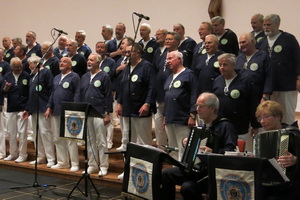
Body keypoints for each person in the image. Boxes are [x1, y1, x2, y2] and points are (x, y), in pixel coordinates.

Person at [162, 92, 237, 200]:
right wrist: (186, 142)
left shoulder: (226, 126)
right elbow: (195, 147)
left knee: (187, 188)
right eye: (196, 106)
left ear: (213, 109)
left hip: (214, 173)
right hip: (196, 169)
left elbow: (231, 151)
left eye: (201, 106)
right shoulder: (201, 125)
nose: (197, 109)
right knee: (166, 175)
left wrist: (214, 152)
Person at [213, 53, 261, 151]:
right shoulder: (217, 81)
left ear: (234, 65)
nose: (222, 67)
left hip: (241, 126)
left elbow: (253, 104)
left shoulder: (245, 81)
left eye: (225, 64)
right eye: (220, 65)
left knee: (243, 154)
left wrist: (255, 125)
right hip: (222, 126)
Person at [258, 14, 300, 125]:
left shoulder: (289, 39)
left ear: (277, 24)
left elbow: (298, 59)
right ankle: (273, 140)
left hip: (287, 86)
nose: (266, 27)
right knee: (271, 116)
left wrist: (299, 78)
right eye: (264, 25)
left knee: (287, 116)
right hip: (269, 87)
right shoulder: (261, 41)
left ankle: (290, 140)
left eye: (269, 25)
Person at [255, 100, 300, 199]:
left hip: (289, 186)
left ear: (278, 116)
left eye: (266, 116)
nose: (262, 121)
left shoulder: (293, 134)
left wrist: (295, 160)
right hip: (266, 186)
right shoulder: (259, 138)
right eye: (259, 118)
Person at [116, 43, 156, 151]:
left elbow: (152, 87)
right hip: (127, 109)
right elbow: (122, 86)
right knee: (127, 140)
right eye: (125, 52)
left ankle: (145, 166)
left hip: (140, 108)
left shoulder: (146, 66)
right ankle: (128, 165)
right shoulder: (127, 67)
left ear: (138, 53)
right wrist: (119, 103)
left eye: (129, 52)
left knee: (144, 141)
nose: (127, 55)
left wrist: (147, 104)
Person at [45, 57, 81, 172]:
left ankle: (74, 163)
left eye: (64, 61)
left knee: (71, 139)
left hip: (69, 112)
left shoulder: (74, 77)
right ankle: (62, 162)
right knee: (57, 138)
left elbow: (77, 93)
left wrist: (74, 109)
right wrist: (49, 106)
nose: (61, 63)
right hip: (56, 111)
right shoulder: (56, 78)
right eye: (60, 61)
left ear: (70, 65)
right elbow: (52, 93)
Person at [80, 53, 113, 176]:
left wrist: (107, 113)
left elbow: (108, 96)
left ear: (98, 62)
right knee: (90, 141)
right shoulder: (84, 77)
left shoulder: (104, 76)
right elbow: (80, 94)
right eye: (88, 60)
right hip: (87, 113)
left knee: (101, 141)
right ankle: (92, 165)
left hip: (99, 113)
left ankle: (104, 166)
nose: (89, 62)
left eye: (91, 60)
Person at [163, 50, 198, 161]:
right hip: (170, 117)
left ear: (179, 59)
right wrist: (165, 117)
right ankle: (175, 170)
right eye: (167, 59)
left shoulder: (189, 74)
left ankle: (182, 173)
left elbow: (194, 95)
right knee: (173, 149)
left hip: (182, 117)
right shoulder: (170, 77)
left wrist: (192, 115)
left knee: (183, 147)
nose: (167, 61)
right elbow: (167, 97)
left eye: (170, 58)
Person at [22, 56, 55, 168]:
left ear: (36, 63)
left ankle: (50, 158)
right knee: (36, 134)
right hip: (34, 108)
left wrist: (49, 106)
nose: (28, 66)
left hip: (43, 107)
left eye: (30, 63)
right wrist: (27, 109)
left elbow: (51, 89)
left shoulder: (45, 72)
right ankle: (40, 156)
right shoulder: (32, 76)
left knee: (45, 133)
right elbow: (30, 94)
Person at [2, 57, 30, 163]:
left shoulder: (26, 76)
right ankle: (13, 153)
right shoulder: (7, 76)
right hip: (11, 107)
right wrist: (6, 87)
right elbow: (4, 92)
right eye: (16, 66)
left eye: (20, 66)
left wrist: (27, 108)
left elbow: (29, 93)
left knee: (22, 133)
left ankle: (23, 154)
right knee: (11, 132)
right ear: (11, 67)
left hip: (22, 108)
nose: (19, 68)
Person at [236, 33, 272, 103]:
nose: (241, 45)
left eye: (243, 42)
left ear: (252, 41)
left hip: (258, 95)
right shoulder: (239, 58)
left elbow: (269, 76)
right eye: (240, 43)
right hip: (242, 96)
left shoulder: (263, 56)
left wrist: (265, 96)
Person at [95, 41, 115, 149]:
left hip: (107, 92)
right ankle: (99, 140)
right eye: (98, 47)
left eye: (102, 48)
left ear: (106, 50)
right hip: (96, 94)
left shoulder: (110, 61)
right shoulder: (94, 61)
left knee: (109, 119)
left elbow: (112, 75)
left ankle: (109, 141)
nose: (100, 49)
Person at [152, 28, 169, 147]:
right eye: (156, 35)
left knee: (168, 123)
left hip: (169, 91)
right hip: (158, 92)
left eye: (160, 35)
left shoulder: (171, 52)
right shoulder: (157, 51)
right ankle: (161, 146)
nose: (157, 37)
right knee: (158, 123)